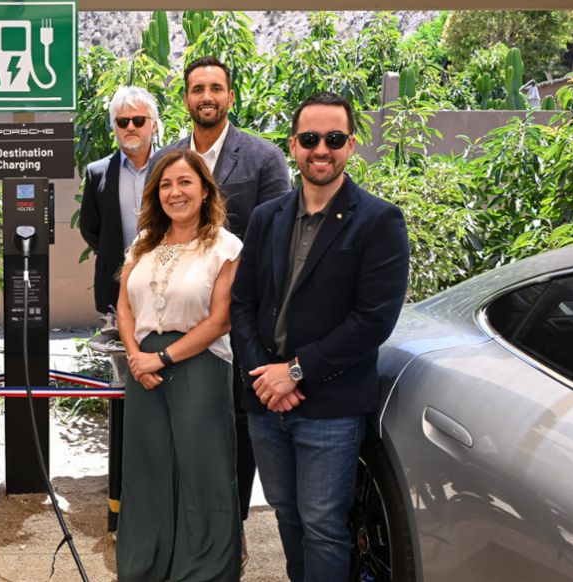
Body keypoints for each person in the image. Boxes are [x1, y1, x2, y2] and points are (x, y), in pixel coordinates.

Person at [230, 91, 410, 582]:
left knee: (325, 528)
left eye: (334, 138)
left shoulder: (379, 221)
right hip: (267, 404)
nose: (321, 149)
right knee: (287, 518)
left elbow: (373, 321)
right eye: (310, 139)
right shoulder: (268, 217)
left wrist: (294, 372)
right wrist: (264, 378)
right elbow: (241, 304)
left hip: (329, 405)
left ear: (351, 145)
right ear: (293, 145)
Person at [154, 55, 291, 564]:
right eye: (196, 88)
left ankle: (228, 539)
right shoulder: (167, 159)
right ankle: (183, 535)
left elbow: (277, 244)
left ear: (230, 96)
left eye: (215, 88)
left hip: (239, 323)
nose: (206, 96)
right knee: (180, 431)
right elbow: (151, 233)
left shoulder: (263, 158)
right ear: (186, 98)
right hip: (176, 324)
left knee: (233, 431)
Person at [116, 148, 243, 582]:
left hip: (198, 368)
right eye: (166, 184)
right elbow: (124, 308)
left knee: (202, 470)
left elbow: (220, 320)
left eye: (185, 182)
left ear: (205, 190)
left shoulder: (224, 246)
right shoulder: (143, 242)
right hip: (143, 372)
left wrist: (163, 356)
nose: (175, 192)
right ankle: (145, 566)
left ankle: (203, 571)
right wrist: (136, 357)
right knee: (147, 470)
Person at [79, 86, 160, 314]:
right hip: (115, 283)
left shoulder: (172, 166)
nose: (130, 127)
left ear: (153, 124)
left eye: (138, 120)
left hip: (167, 280)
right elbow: (90, 228)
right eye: (122, 122)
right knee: (120, 349)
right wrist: (114, 253)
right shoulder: (97, 173)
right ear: (114, 127)